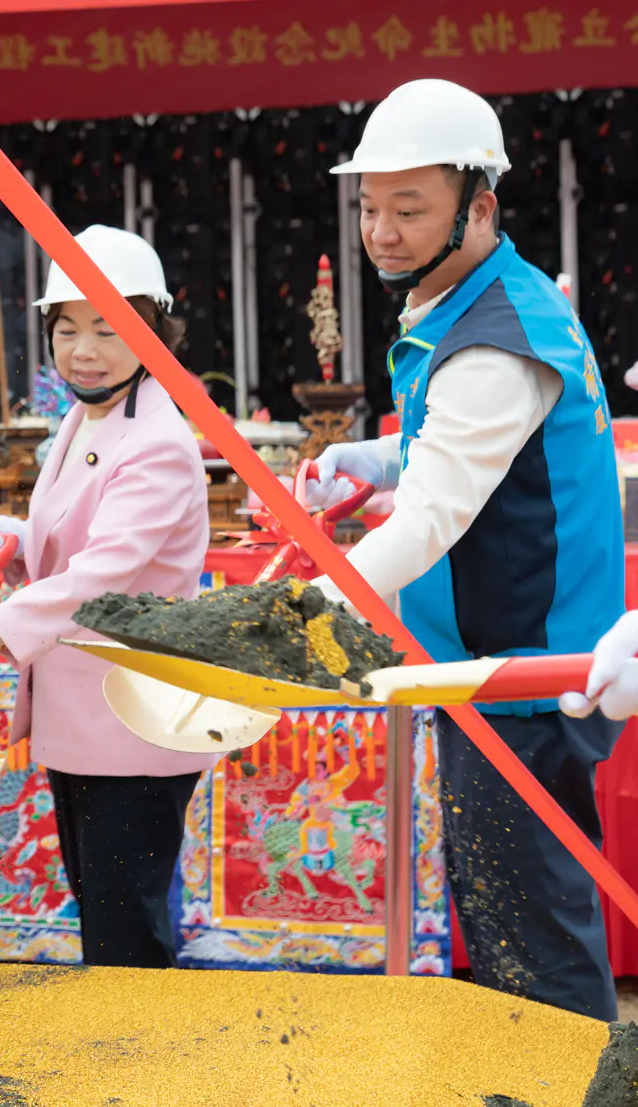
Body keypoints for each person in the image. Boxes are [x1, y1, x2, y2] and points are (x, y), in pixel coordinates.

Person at [304, 79, 625, 1019]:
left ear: (478, 207)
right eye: (370, 207)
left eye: (411, 210)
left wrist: (311, 605)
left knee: (532, 931)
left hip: (522, 674)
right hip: (490, 664)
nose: (383, 232)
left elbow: (436, 508)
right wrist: (362, 457)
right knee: (505, 915)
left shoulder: (493, 339)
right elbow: (450, 447)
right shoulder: (483, 299)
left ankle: (567, 1077)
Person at [0, 227, 215, 969]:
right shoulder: (85, 417)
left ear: (152, 329)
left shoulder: (158, 439)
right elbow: (80, 538)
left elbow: (104, 572)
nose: (83, 348)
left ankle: (136, 1074)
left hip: (130, 719)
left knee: (125, 934)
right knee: (104, 911)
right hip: (85, 716)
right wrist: (16, 538)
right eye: (67, 328)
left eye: (107, 328)